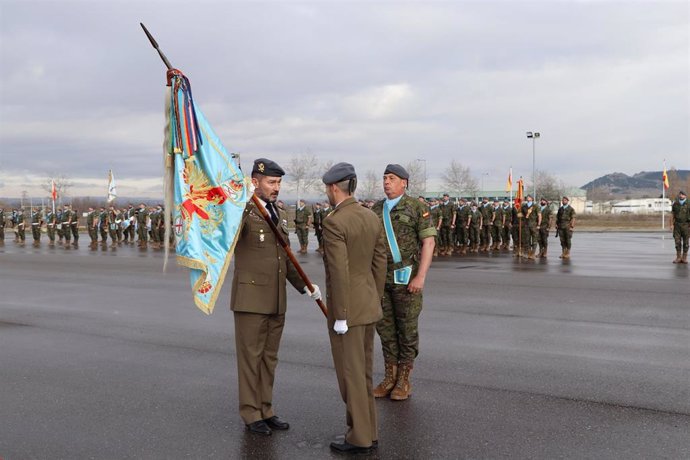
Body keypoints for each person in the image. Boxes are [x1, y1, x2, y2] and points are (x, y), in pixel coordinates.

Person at [230, 158, 321, 436]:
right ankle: (250, 413)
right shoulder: (244, 210)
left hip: (276, 299)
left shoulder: (278, 213)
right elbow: (229, 235)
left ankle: (266, 409)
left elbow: (284, 257)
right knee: (250, 358)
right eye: (271, 182)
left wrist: (304, 285)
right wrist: (238, 204)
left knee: (269, 358)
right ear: (254, 182)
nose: (276, 187)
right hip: (251, 298)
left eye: (279, 182)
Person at [320, 163, 386, 454]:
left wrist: (341, 315)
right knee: (365, 373)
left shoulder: (335, 222)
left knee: (350, 374)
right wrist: (375, 297)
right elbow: (380, 262)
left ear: (334, 188)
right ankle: (368, 431)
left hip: (347, 310)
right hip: (368, 304)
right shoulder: (371, 216)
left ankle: (358, 437)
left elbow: (339, 271)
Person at [371, 164, 436, 401]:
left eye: (391, 178)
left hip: (407, 279)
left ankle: (404, 380)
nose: (386, 182)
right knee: (385, 330)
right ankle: (390, 377)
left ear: (404, 183)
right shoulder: (376, 209)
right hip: (380, 279)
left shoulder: (417, 207)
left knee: (406, 330)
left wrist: (421, 276)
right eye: (385, 178)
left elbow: (428, 242)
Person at [670, 190, 689, 264]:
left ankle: (684, 258)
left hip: (686, 225)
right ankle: (678, 257)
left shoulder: (689, 203)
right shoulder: (675, 204)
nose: (681, 195)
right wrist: (671, 224)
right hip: (677, 225)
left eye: (683, 194)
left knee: (686, 242)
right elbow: (672, 215)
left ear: (685, 196)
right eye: (680, 194)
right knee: (677, 242)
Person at [520, 195, 541, 260]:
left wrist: (538, 224)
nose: (528, 198)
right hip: (526, 225)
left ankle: (533, 253)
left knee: (534, 240)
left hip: (534, 225)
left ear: (532, 198)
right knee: (527, 240)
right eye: (527, 198)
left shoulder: (536, 206)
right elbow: (521, 215)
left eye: (529, 197)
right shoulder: (524, 206)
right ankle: (529, 253)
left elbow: (539, 215)